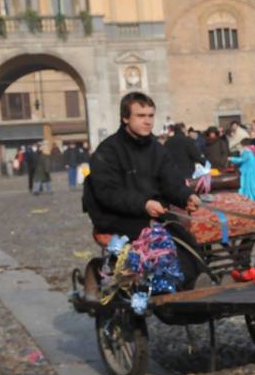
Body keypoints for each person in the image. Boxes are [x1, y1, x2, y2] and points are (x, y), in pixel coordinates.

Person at [82, 92, 204, 289]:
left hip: (152, 217)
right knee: (159, 248)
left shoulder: (158, 149)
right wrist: (143, 204)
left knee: (186, 243)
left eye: (150, 115)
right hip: (117, 218)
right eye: (141, 116)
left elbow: (171, 181)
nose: (148, 121)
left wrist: (187, 196)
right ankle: (167, 292)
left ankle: (193, 284)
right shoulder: (108, 151)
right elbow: (108, 193)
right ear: (125, 118)